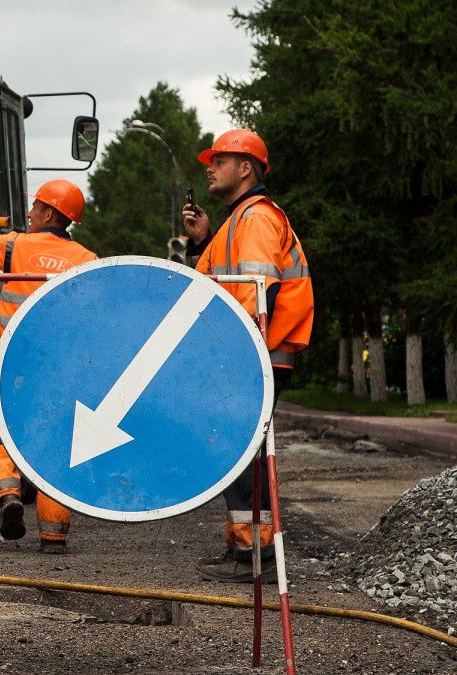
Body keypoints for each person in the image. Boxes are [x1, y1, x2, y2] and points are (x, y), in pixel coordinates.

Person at [182, 129, 314, 582]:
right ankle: (248, 553)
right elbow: (216, 285)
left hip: (252, 355)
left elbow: (260, 292)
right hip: (251, 354)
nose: (210, 166)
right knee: (239, 452)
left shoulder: (256, 218)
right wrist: (203, 242)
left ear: (245, 169)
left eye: (220, 160)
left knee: (240, 454)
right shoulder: (239, 220)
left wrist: (238, 356)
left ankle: (253, 557)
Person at [0, 179, 98, 554]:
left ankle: (7, 491)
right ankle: (54, 533)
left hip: (9, 365)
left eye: (36, 207)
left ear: (51, 213)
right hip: (58, 372)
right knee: (55, 443)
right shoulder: (87, 260)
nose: (30, 212)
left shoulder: (18, 245)